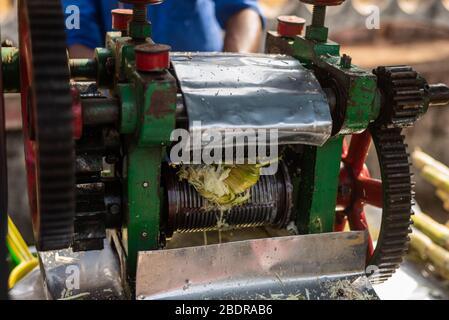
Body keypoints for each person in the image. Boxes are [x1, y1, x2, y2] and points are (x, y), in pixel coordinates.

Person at [63, 0, 265, 58]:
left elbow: (244, 11)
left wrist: (235, 67)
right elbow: (78, 39)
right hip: (125, 98)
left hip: (207, 82)